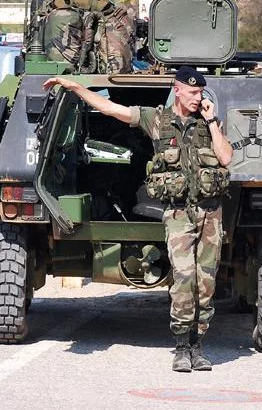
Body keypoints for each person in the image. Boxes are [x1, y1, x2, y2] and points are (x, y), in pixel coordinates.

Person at [43, 65, 233, 372]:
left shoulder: (208, 122)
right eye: (194, 92)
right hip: (179, 213)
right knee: (184, 277)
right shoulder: (157, 120)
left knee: (206, 283)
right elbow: (110, 108)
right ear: (178, 89)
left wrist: (212, 122)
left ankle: (200, 346)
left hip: (210, 212)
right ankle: (183, 347)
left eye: (201, 93)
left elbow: (226, 158)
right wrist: (74, 87)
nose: (199, 98)